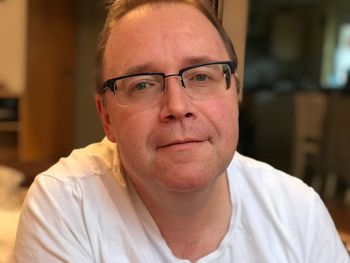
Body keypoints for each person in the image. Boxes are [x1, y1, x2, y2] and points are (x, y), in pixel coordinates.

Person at [12, 0, 349, 262]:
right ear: (107, 118)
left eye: (201, 76)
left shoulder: (298, 213)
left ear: (235, 94)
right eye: (142, 84)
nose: (177, 106)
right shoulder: (68, 204)